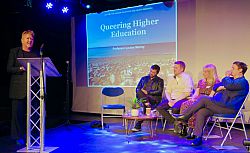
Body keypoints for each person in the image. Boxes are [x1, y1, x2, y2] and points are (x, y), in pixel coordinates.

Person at [172, 61, 249, 146]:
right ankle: (198, 137)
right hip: (221, 105)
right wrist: (222, 86)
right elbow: (216, 86)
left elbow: (229, 85)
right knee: (202, 111)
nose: (231, 70)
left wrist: (226, 77)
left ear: (240, 70)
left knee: (203, 98)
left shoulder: (242, 82)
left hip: (230, 109)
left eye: (233, 68)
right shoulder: (232, 80)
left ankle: (185, 116)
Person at [7, 30, 38, 145]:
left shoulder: (36, 54)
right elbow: (9, 68)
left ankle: (32, 136)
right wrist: (21, 69)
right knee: (17, 115)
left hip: (33, 90)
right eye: (27, 38)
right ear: (22, 40)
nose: (29, 41)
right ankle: (17, 137)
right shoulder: (14, 52)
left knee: (34, 115)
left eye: (31, 39)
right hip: (18, 89)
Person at [178, 64, 220, 138]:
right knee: (185, 104)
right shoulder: (201, 81)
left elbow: (214, 95)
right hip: (198, 99)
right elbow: (196, 93)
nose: (204, 73)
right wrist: (193, 98)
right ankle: (185, 125)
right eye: (204, 71)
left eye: (206, 72)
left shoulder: (216, 82)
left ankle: (192, 130)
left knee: (197, 108)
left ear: (211, 73)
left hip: (207, 101)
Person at [156, 61, 194, 129]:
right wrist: (170, 100)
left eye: (176, 68)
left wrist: (175, 101)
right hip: (172, 99)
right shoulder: (171, 78)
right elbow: (167, 91)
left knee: (175, 108)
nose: (174, 69)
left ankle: (180, 125)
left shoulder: (187, 77)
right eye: (173, 67)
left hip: (182, 99)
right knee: (159, 107)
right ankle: (175, 122)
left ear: (182, 69)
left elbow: (187, 93)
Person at [131, 64, 164, 132]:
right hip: (144, 99)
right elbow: (137, 88)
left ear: (157, 73)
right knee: (140, 92)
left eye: (154, 72)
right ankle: (147, 104)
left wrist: (148, 92)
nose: (151, 73)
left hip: (153, 99)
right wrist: (142, 93)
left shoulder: (160, 80)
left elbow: (159, 91)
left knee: (144, 104)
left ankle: (138, 125)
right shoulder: (143, 78)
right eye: (151, 71)